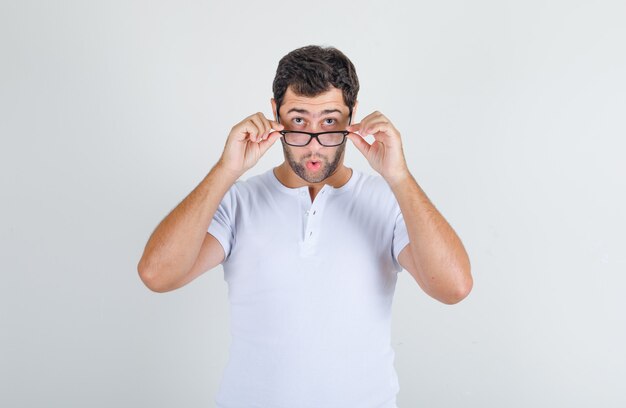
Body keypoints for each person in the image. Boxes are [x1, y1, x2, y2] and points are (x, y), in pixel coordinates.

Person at [138, 45, 472, 408]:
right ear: (275, 114)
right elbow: (158, 275)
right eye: (298, 121)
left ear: (352, 116)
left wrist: (400, 177)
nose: (314, 146)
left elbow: (453, 287)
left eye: (329, 122)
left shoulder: (389, 200)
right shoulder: (238, 202)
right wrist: (226, 170)